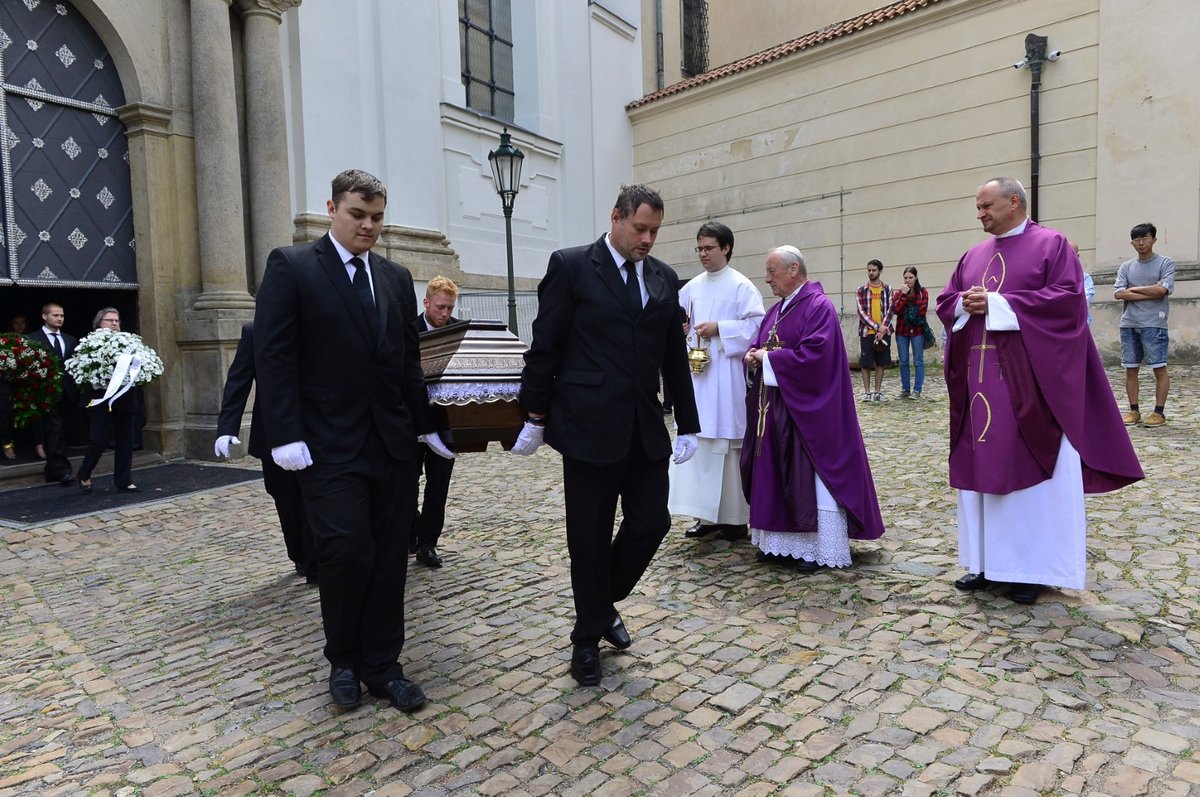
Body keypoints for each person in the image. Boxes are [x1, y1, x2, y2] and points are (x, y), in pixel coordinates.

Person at [254, 169, 454, 713]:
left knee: (391, 555)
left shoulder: (394, 276)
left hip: (391, 444)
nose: (368, 225)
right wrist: (285, 432)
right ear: (332, 208)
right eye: (358, 214)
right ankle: (343, 659)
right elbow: (273, 356)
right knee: (345, 553)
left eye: (377, 217)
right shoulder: (292, 267)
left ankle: (384, 665)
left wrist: (429, 424)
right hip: (326, 445)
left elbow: (407, 362)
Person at [513, 183, 700, 687]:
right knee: (588, 539)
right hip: (588, 427)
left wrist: (689, 422)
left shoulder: (663, 277)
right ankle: (586, 639)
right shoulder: (572, 266)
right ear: (615, 218)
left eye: (655, 231)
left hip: (644, 429)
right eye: (640, 228)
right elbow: (545, 345)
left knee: (651, 523)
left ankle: (596, 609)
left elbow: (672, 356)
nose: (647, 239)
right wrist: (533, 414)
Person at [937, 177, 1143, 605]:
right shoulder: (972, 255)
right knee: (980, 473)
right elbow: (946, 300)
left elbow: (1067, 303)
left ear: (1015, 202)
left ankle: (1029, 569)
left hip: (1029, 385)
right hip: (979, 384)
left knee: (1026, 468)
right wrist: (962, 304)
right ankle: (985, 563)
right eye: (978, 207)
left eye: (986, 205)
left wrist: (995, 304)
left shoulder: (1053, 246)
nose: (980, 214)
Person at [741, 246, 885, 571]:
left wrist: (768, 359)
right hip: (774, 413)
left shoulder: (818, 307)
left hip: (806, 415)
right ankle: (777, 544)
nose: (767, 279)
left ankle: (812, 548)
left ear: (793, 270)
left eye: (772, 271)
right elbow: (759, 343)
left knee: (807, 476)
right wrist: (753, 356)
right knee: (774, 472)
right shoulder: (776, 311)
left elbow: (816, 358)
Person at [669, 221, 764, 541]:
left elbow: (756, 327)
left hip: (726, 378)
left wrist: (721, 328)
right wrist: (682, 332)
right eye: (699, 248)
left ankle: (735, 519)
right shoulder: (692, 287)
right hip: (698, 377)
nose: (702, 254)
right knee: (701, 445)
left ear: (726, 248)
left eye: (708, 248)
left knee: (728, 447)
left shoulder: (741, 286)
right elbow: (677, 320)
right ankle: (705, 517)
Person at [214, 322, 316, 583]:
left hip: (315, 430)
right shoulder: (255, 332)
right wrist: (227, 427)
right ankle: (300, 554)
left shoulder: (318, 323)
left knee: (315, 497)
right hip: (272, 434)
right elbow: (239, 380)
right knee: (286, 499)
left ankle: (317, 561)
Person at [412, 276, 461, 568]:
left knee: (438, 484)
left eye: (450, 307)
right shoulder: (409, 330)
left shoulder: (457, 330)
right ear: (427, 302)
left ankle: (427, 543)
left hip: (445, 422)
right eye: (441, 307)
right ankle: (410, 531)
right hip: (412, 422)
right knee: (406, 484)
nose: (445, 313)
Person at [1115, 222, 1175, 428]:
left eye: (1145, 238)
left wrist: (1134, 290)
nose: (1141, 243)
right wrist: (1150, 289)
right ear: (1132, 242)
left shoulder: (1165, 263)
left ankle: (1159, 412)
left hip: (1154, 323)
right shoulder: (1126, 267)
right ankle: (1134, 410)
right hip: (1129, 323)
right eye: (1137, 239)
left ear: (1154, 240)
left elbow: (1163, 291)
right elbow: (1119, 293)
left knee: (1159, 367)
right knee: (1130, 369)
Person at [77, 308, 137, 493]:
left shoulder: (129, 342)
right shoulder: (89, 343)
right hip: (99, 398)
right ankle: (85, 473)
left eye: (116, 320)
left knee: (126, 439)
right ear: (99, 324)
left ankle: (123, 480)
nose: (114, 323)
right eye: (109, 320)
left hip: (123, 397)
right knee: (99, 439)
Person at [30, 302, 78, 484]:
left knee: (61, 430)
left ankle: (53, 470)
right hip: (46, 393)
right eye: (55, 315)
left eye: (62, 316)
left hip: (67, 393)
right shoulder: (33, 339)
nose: (59, 319)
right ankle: (60, 470)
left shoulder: (70, 339)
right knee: (54, 429)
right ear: (44, 316)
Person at [856, 259, 893, 401]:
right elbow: (861, 312)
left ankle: (877, 392)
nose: (871, 273)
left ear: (880, 271)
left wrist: (883, 329)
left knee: (881, 362)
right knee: (865, 363)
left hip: (884, 332)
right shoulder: (861, 290)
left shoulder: (888, 289)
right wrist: (878, 328)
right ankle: (867, 392)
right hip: (867, 332)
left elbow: (891, 309)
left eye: (874, 270)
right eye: (869, 270)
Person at [890, 266, 929, 400]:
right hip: (902, 330)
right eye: (905, 278)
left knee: (918, 361)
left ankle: (917, 390)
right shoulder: (899, 293)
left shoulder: (923, 292)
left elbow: (922, 311)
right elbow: (896, 309)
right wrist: (904, 295)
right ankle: (905, 389)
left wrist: (911, 313)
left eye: (910, 277)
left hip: (917, 331)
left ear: (916, 277)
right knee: (903, 361)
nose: (908, 280)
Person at [1070, 242, 1095, 326]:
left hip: (1079, 326)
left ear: (1077, 257)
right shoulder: (1051, 276)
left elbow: (1083, 302)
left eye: (1070, 253)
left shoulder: (1085, 278)